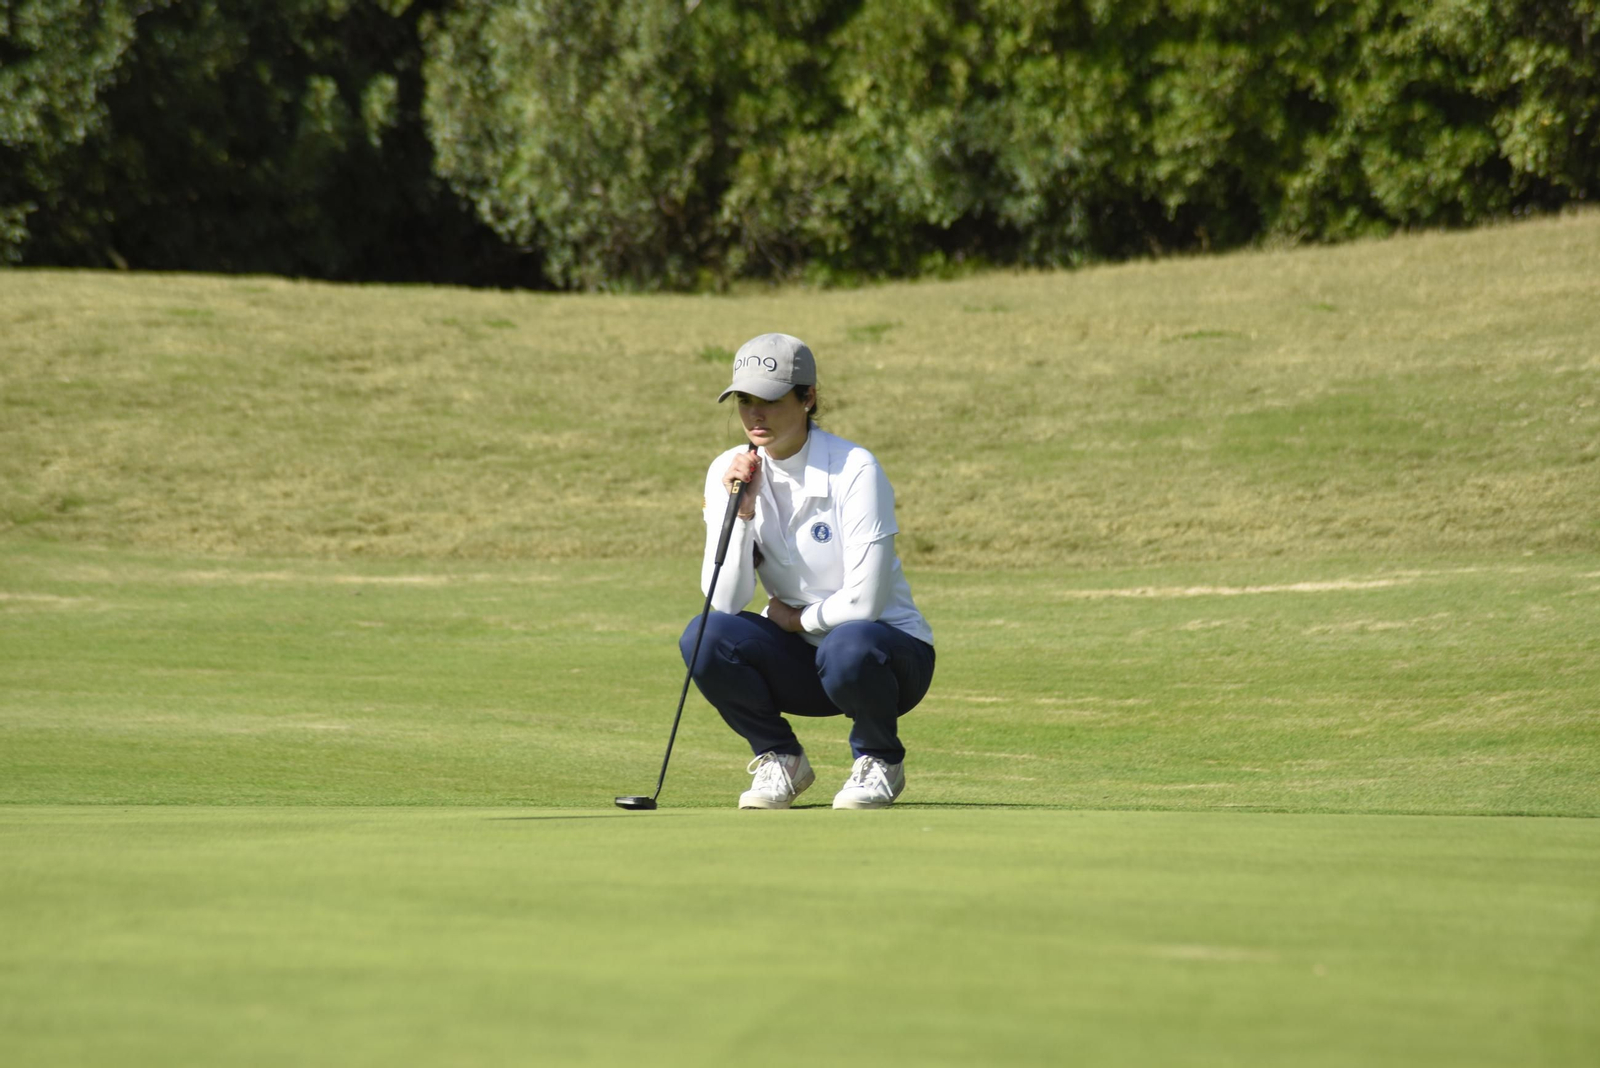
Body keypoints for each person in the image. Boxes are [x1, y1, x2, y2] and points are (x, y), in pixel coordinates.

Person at [680, 333, 936, 810]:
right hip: (804, 663)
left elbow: (866, 603)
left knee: (849, 641)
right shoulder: (729, 471)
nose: (756, 414)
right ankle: (781, 758)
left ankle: (881, 759)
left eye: (772, 400)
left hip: (888, 657)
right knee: (704, 635)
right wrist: (742, 514)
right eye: (745, 400)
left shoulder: (855, 468)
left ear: (808, 397)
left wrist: (797, 621)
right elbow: (727, 599)